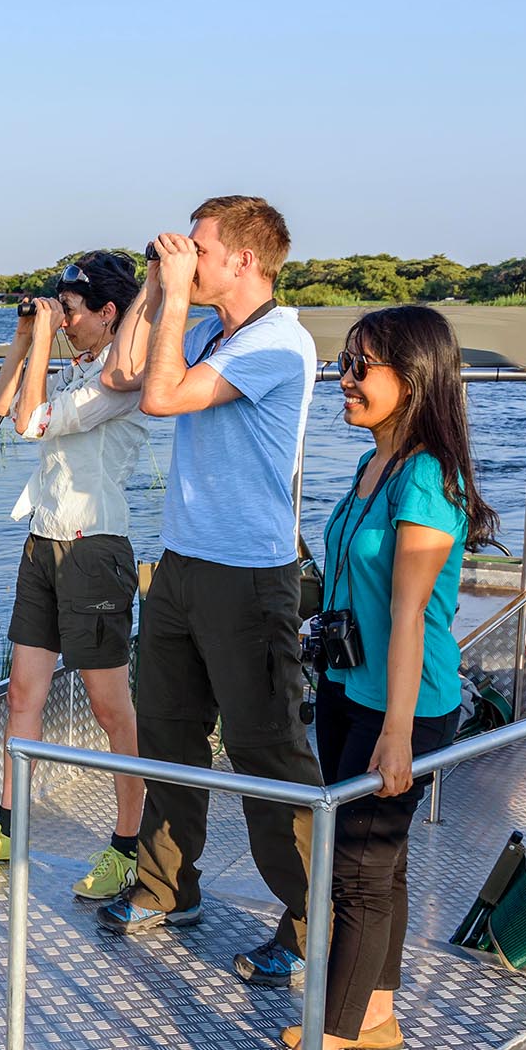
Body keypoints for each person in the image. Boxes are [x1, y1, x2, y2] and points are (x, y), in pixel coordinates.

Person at [239, 304, 497, 1050]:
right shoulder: (370, 465)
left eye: (361, 367)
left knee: (354, 872)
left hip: (405, 706)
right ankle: (376, 1012)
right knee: (381, 866)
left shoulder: (425, 477)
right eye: (343, 364)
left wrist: (397, 734)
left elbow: (412, 614)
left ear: (412, 379)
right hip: (351, 690)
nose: (343, 380)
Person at [96, 196, 327, 992]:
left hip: (250, 575)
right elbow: (122, 373)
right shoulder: (208, 333)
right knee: (168, 735)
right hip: (181, 565)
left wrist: (173, 294)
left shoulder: (277, 343)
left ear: (244, 261)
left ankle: (312, 925)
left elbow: (162, 398)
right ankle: (167, 887)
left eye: (199, 249)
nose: (187, 259)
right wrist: (154, 287)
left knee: (267, 752)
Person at [0, 252, 155, 901]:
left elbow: (31, 422)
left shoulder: (122, 379)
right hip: (42, 541)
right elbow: (3, 403)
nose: (61, 321)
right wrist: (23, 338)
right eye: (57, 311)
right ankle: (10, 830)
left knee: (110, 708)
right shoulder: (78, 366)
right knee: (22, 694)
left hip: (94, 548)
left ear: (108, 313)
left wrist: (42, 339)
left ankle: (129, 847)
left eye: (68, 311)